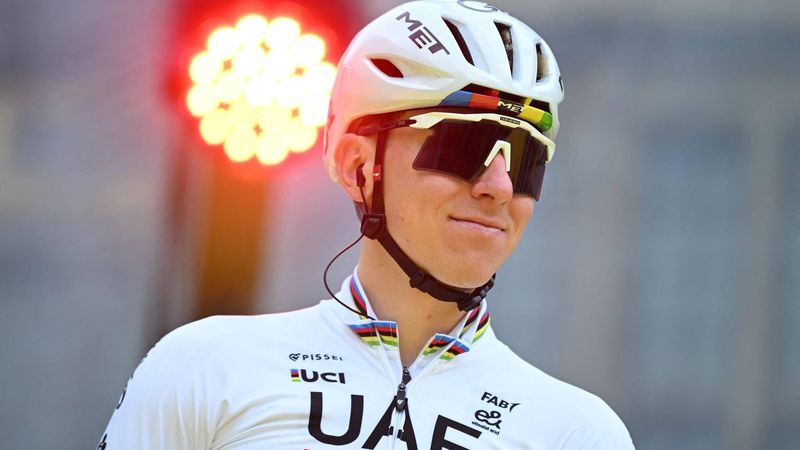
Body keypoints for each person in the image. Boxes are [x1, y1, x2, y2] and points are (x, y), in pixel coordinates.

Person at [99, 1, 634, 448]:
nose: (497, 186)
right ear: (360, 166)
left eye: (526, 161)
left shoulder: (579, 433)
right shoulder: (202, 366)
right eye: (462, 146)